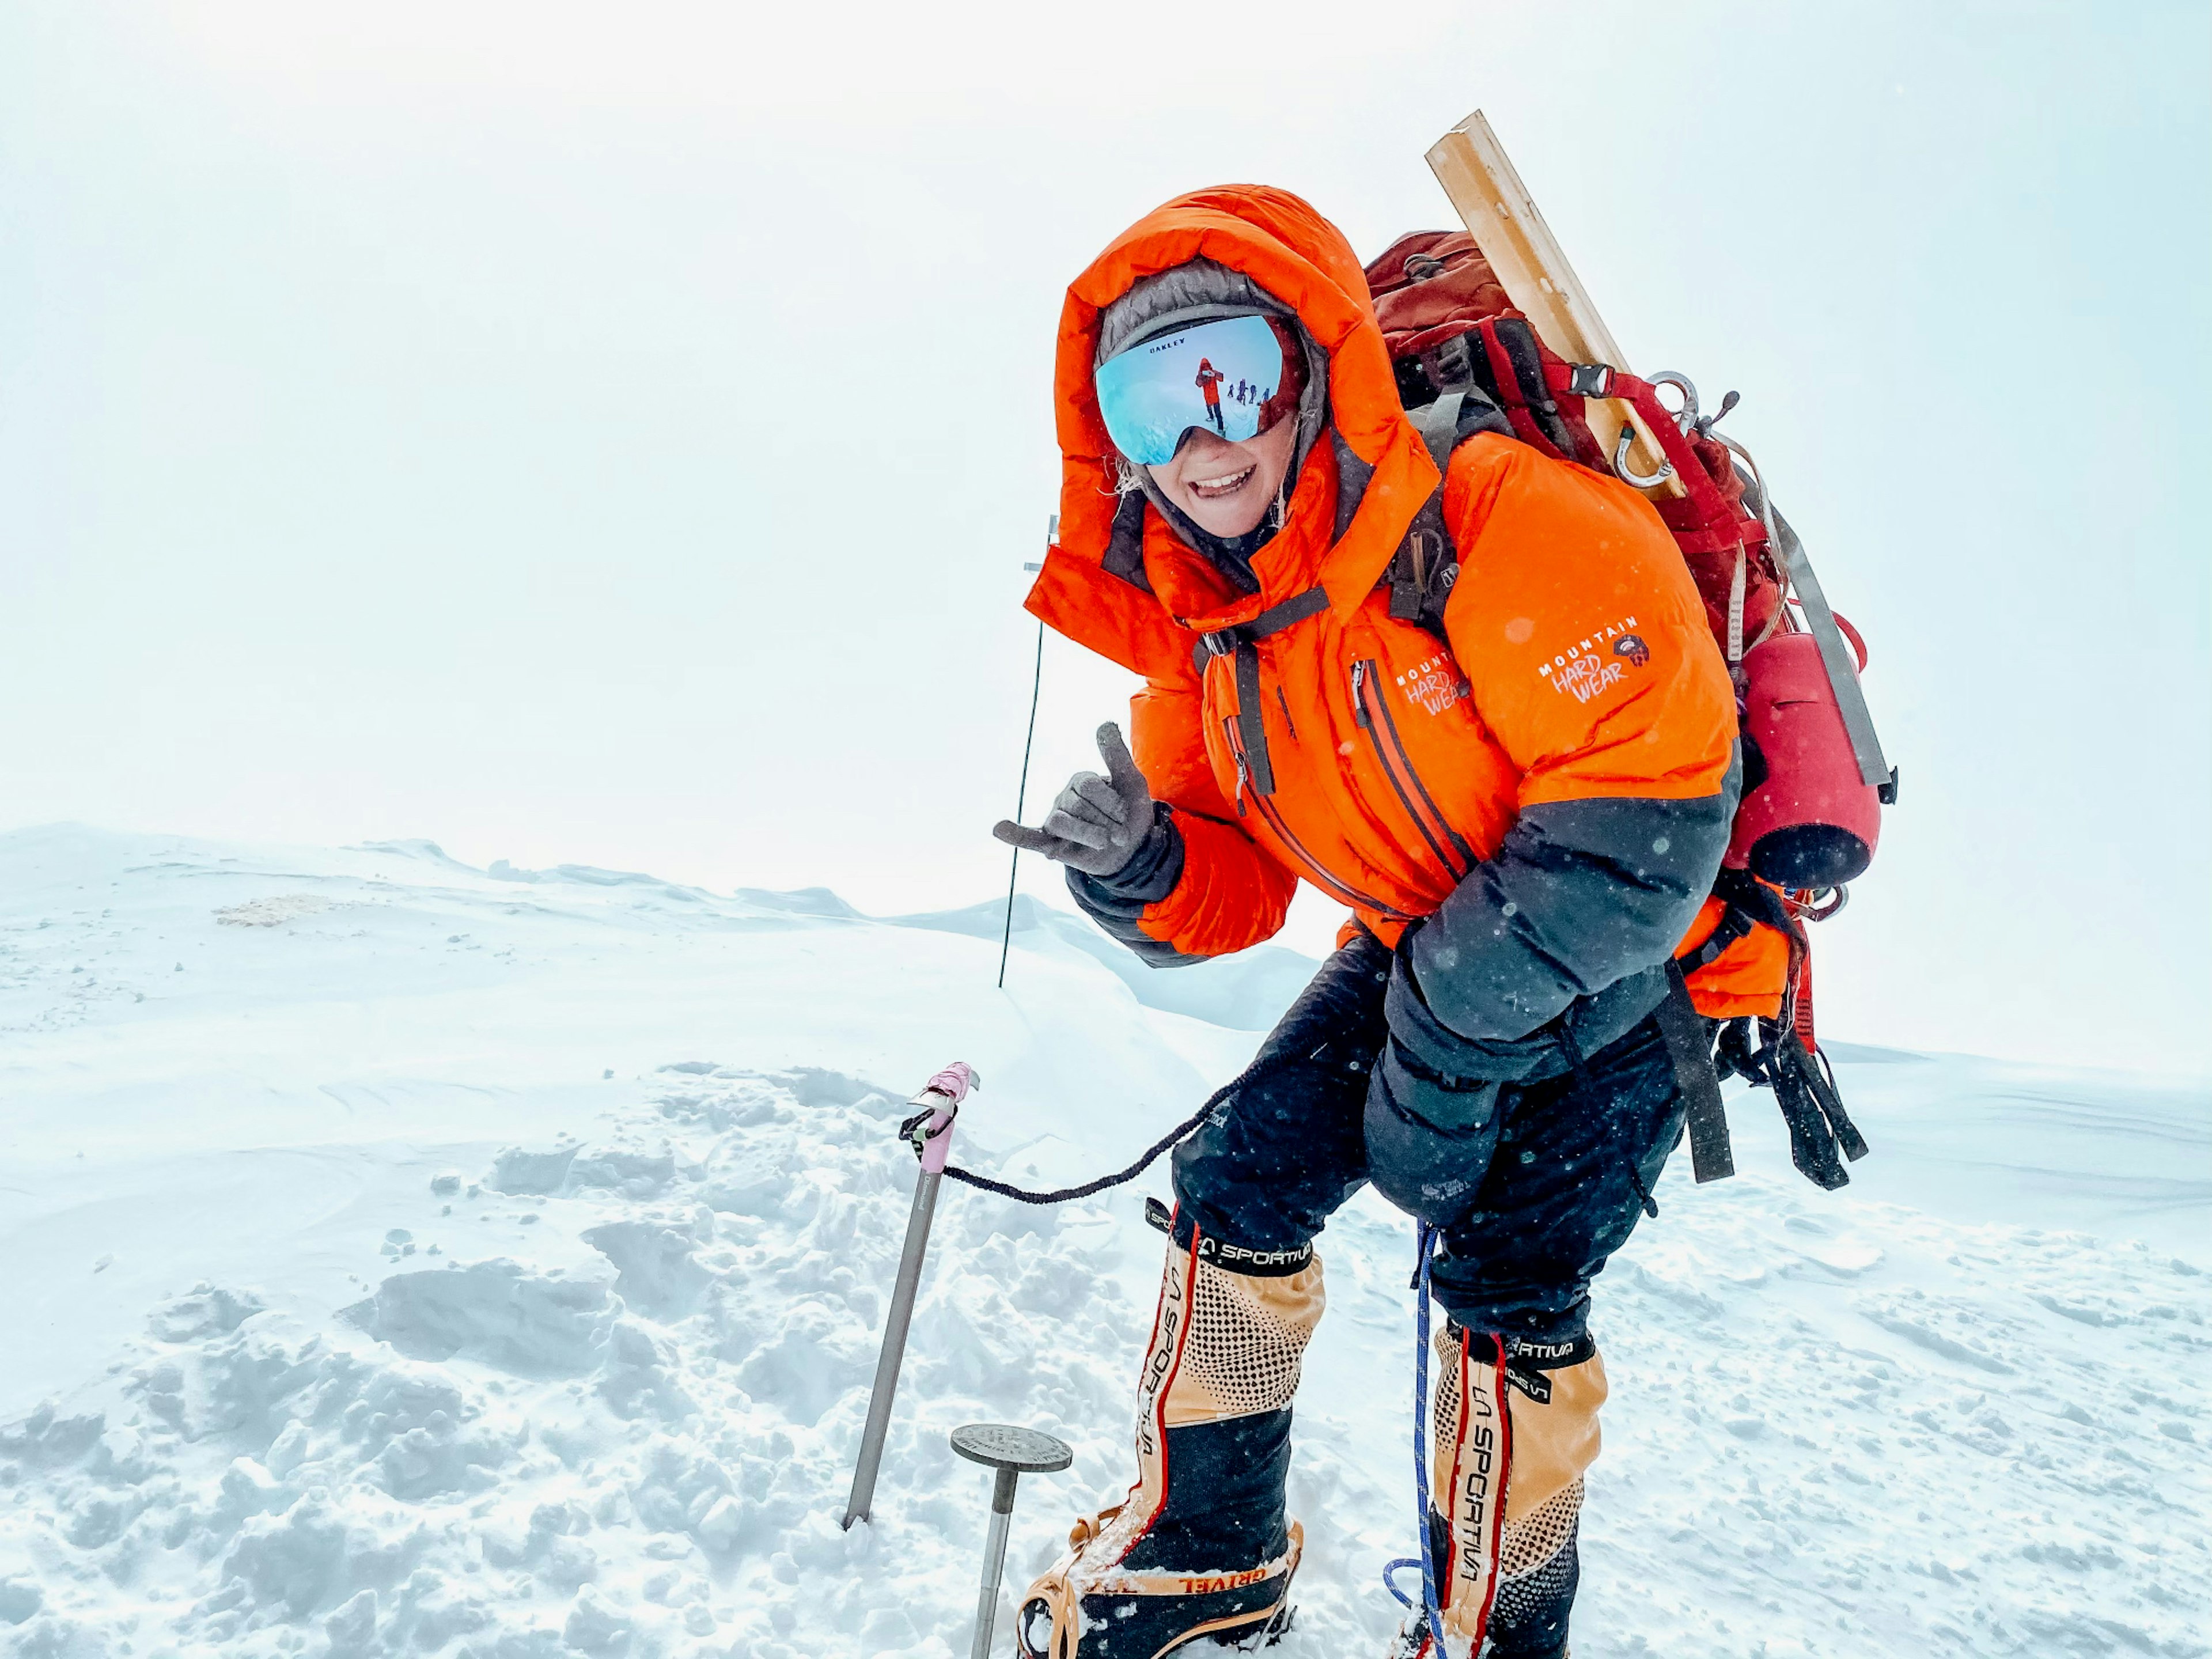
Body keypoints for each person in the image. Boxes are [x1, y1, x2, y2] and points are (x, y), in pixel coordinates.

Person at [995, 185, 1740, 1658]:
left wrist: (1443, 1041)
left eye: (1229, 377)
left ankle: (1497, 1639)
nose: (1200, 439)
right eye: (1147, 405)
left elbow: (1645, 830)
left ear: (1313, 366)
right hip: (1427, 937)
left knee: (1505, 1285)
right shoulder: (1214, 633)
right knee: (1240, 1183)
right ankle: (1207, 1558)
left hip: (1657, 962)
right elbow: (1234, 885)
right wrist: (1145, 862)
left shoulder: (1508, 522)